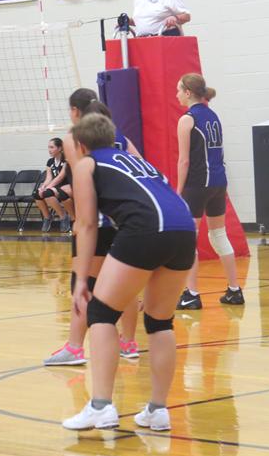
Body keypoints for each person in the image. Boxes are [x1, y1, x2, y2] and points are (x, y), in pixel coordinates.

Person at [62, 113, 196, 432]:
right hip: (184, 229)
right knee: (159, 321)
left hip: (146, 229)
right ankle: (157, 410)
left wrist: (81, 279)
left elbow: (86, 224)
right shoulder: (137, 161)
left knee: (101, 312)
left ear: (80, 145)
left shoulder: (86, 164)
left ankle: (100, 406)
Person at [44, 94, 142, 367]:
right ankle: (129, 342)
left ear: (77, 112)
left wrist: (79, 218)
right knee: (127, 285)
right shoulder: (121, 137)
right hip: (124, 220)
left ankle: (75, 348)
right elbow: (139, 165)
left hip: (97, 220)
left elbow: (83, 180)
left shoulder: (76, 139)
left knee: (83, 283)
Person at [174, 73, 244, 309]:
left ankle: (192, 294)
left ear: (188, 92)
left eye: (178, 90)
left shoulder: (187, 119)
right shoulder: (213, 115)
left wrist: (178, 191)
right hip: (218, 182)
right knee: (219, 235)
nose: (176, 95)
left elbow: (184, 161)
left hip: (197, 184)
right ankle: (234, 290)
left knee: (188, 239)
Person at [33, 137, 73, 233]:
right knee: (36, 194)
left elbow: (60, 177)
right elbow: (48, 178)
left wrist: (47, 188)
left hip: (66, 187)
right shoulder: (50, 162)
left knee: (47, 193)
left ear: (60, 148)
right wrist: (43, 187)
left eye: (52, 147)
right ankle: (47, 217)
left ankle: (63, 217)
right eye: (48, 147)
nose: (49, 150)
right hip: (54, 187)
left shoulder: (66, 160)